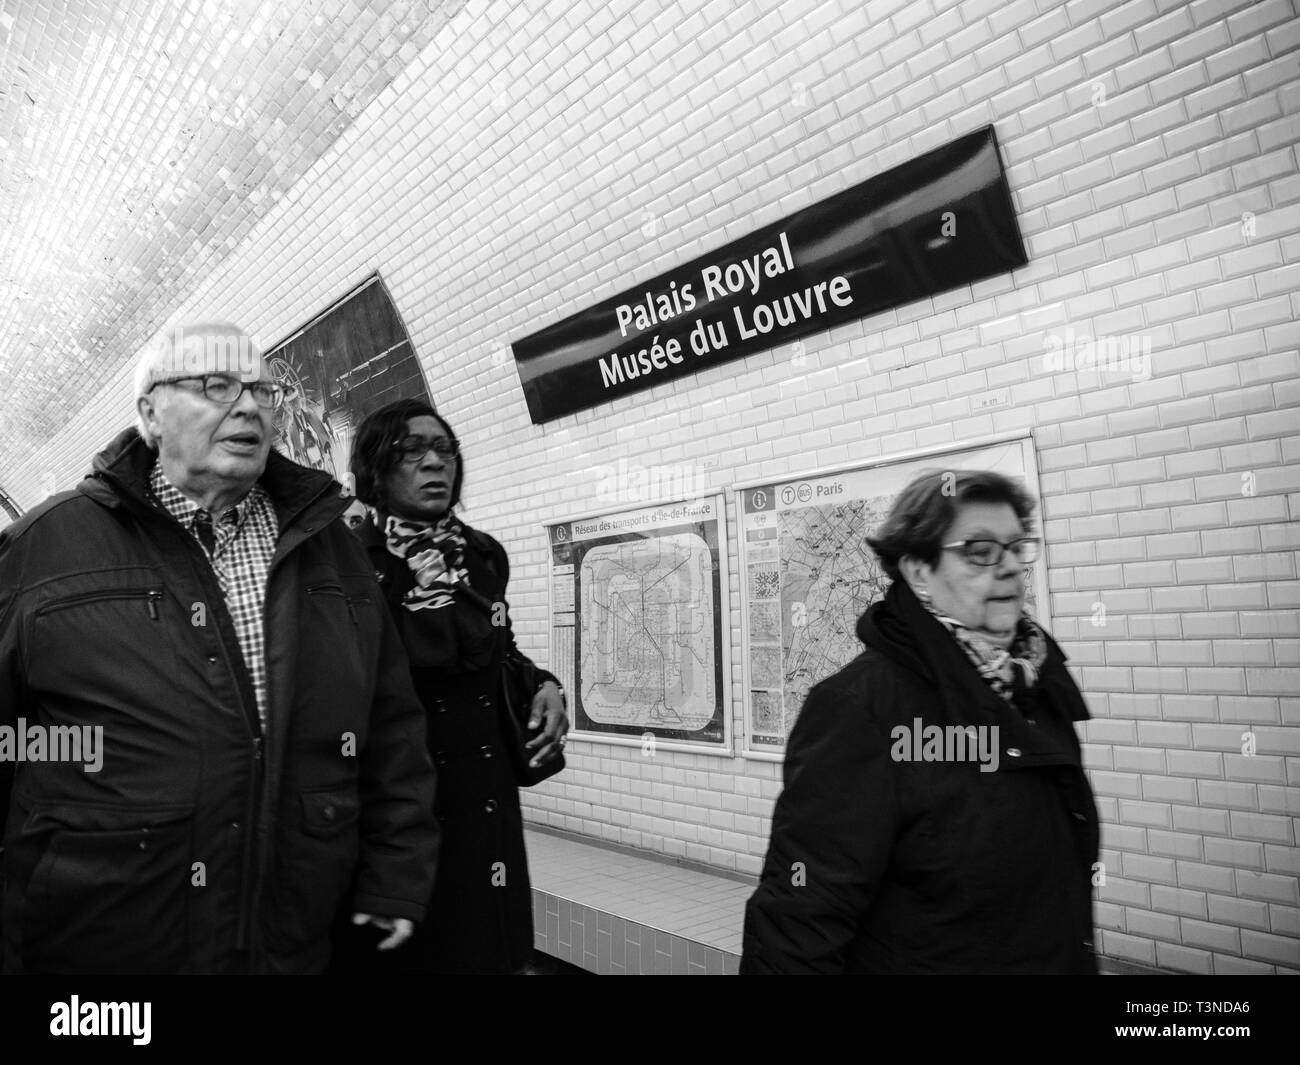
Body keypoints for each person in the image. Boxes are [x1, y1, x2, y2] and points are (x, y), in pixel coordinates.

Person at [0, 322, 439, 974]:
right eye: (215, 386)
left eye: (260, 389)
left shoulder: (331, 548)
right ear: (150, 412)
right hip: (100, 947)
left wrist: (395, 872)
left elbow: (390, 723)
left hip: (288, 939)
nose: (248, 406)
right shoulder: (47, 546)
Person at [741, 469, 1099, 974]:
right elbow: (800, 915)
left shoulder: (1037, 686)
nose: (1011, 568)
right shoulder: (861, 710)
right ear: (918, 571)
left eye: (1017, 547)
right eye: (979, 551)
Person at [340, 398, 568, 974]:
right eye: (411, 451)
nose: (434, 463)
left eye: (444, 450)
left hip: (485, 797)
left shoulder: (483, 555)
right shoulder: (345, 564)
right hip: (397, 806)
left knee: (490, 946)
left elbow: (500, 648)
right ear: (375, 470)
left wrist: (543, 683)